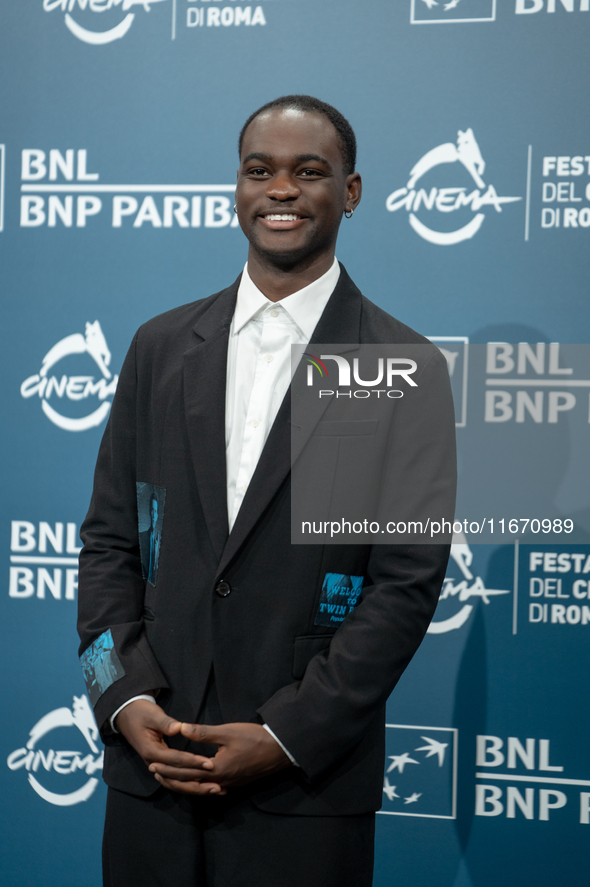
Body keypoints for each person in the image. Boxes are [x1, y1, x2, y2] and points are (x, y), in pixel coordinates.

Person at [77, 95, 456, 887]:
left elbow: (402, 588)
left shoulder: (400, 366)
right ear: (237, 189)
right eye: (260, 171)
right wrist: (121, 700)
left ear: (349, 193)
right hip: (150, 777)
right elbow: (110, 542)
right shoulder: (158, 346)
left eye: (308, 171)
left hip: (302, 792)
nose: (280, 189)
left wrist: (282, 733)